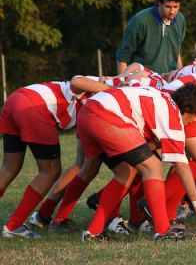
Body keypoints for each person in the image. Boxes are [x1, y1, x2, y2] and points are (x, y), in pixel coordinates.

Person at [77, 83, 196, 241]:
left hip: (88, 112)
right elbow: (181, 165)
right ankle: (163, 231)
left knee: (124, 172)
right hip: (106, 115)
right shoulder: (172, 113)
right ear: (187, 109)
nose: (195, 119)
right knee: (153, 166)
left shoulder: (162, 97)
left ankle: (93, 232)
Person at [0, 76, 112, 239]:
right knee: (50, 171)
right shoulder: (106, 89)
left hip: (16, 98)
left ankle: (24, 222)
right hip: (35, 106)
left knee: (9, 168)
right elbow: (77, 81)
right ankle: (14, 226)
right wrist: (112, 90)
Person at [116, 0, 186, 74]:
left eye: (176, 6)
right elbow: (122, 58)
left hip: (168, 80)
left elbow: (176, 52)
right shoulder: (140, 21)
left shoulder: (180, 19)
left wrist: (180, 74)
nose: (172, 11)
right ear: (159, 3)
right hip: (142, 80)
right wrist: (123, 83)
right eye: (168, 6)